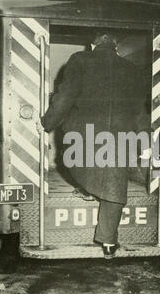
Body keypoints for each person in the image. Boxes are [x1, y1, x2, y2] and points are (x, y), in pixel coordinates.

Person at [36, 30, 147, 259]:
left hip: (84, 139)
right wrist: (145, 138)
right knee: (115, 185)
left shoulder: (79, 59)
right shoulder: (130, 68)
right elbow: (139, 109)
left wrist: (47, 123)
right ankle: (108, 242)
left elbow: (65, 97)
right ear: (116, 46)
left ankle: (87, 188)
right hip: (119, 139)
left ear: (92, 45)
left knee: (81, 163)